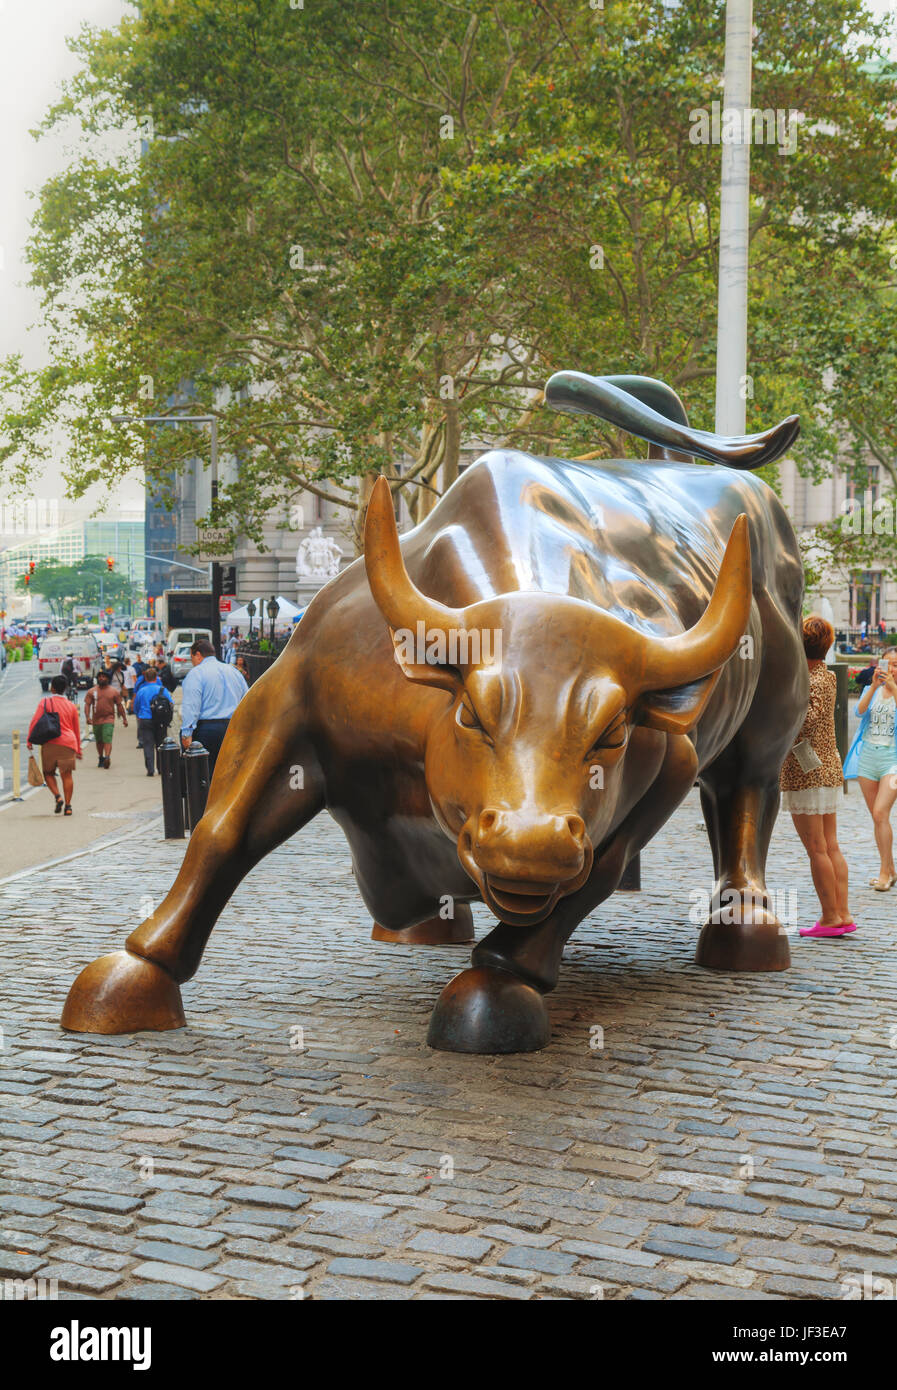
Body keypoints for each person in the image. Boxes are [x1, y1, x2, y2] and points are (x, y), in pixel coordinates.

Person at [780, 617, 854, 938]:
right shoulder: (825, 676)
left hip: (808, 772)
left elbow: (804, 722)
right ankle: (842, 913)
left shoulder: (810, 680)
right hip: (826, 767)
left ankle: (830, 917)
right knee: (830, 845)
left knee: (817, 848)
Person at [845, 647, 897, 890]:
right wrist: (875, 686)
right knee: (879, 819)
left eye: (896, 665)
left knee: (879, 813)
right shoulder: (871, 689)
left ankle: (884, 873)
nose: (891, 669)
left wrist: (894, 689)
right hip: (868, 758)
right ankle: (890, 869)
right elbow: (859, 711)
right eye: (887, 665)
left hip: (892, 760)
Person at [180, 638, 247, 775]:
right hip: (232, 727)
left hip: (207, 730)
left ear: (198, 655)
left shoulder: (196, 673)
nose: (192, 662)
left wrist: (187, 734)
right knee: (230, 774)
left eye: (191, 657)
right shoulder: (233, 672)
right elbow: (247, 699)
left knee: (205, 774)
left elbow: (191, 706)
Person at [26, 673, 83, 815]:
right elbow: (76, 729)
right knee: (67, 775)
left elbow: (35, 721)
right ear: (65, 688)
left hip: (50, 742)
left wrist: (29, 739)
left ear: (52, 688)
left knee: (48, 773)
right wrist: (78, 749)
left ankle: (58, 797)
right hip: (68, 743)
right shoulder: (71, 706)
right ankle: (68, 807)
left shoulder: (45, 702)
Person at [132, 666, 174, 776]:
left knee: (148, 744)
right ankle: (161, 768)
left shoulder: (142, 691)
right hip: (160, 720)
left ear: (145, 678)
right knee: (160, 744)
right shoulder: (162, 690)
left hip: (145, 719)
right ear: (156, 677)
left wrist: (139, 715)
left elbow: (136, 706)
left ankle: (150, 769)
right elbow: (171, 704)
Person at [84, 668, 128, 769]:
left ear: (108, 679)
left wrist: (124, 719)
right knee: (99, 741)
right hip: (96, 720)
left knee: (107, 738)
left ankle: (107, 757)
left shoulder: (114, 692)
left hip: (109, 719)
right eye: (100, 677)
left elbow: (119, 706)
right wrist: (87, 717)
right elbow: (87, 705)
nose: (101, 678)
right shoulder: (92, 691)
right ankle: (101, 757)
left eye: (104, 676)